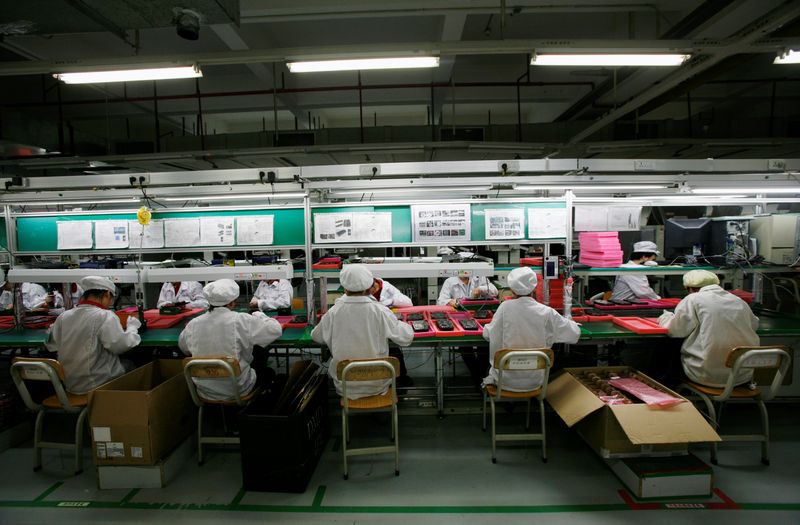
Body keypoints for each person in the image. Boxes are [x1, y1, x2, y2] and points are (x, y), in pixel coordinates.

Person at [312, 265, 414, 400]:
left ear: (344, 287)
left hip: (345, 385)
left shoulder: (334, 312)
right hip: (378, 384)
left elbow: (316, 336)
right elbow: (406, 338)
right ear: (369, 287)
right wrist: (402, 324)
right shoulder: (380, 311)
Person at [179, 279, 282, 401]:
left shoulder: (193, 324)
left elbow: (183, 348)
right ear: (232, 303)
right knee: (267, 370)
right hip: (238, 389)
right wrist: (260, 315)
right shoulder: (241, 320)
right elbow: (275, 330)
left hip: (204, 391)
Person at [482, 267, 581, 391]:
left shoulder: (505, 308)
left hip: (504, 381)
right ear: (534, 287)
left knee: (483, 362)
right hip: (536, 382)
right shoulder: (546, 312)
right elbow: (575, 334)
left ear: (512, 289)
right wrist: (570, 322)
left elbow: (488, 335)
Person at [658, 270, 759, 388]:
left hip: (704, 374)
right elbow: (754, 324)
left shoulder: (693, 299)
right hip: (741, 375)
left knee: (667, 349)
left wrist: (664, 317)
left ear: (689, 288)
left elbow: (675, 330)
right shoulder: (738, 300)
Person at [45, 276, 141, 395]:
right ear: (106, 294)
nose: (110, 303)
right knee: (135, 364)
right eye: (111, 298)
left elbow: (51, 345)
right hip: (98, 383)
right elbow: (120, 346)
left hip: (70, 384)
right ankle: (126, 406)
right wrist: (132, 327)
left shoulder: (64, 316)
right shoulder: (104, 316)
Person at [369, 277, 414, 387]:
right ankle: (398, 379)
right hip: (379, 386)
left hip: (347, 386)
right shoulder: (381, 310)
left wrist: (391, 301)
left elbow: (408, 303)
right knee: (390, 347)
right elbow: (406, 336)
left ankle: (401, 377)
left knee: (392, 348)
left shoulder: (336, 311)